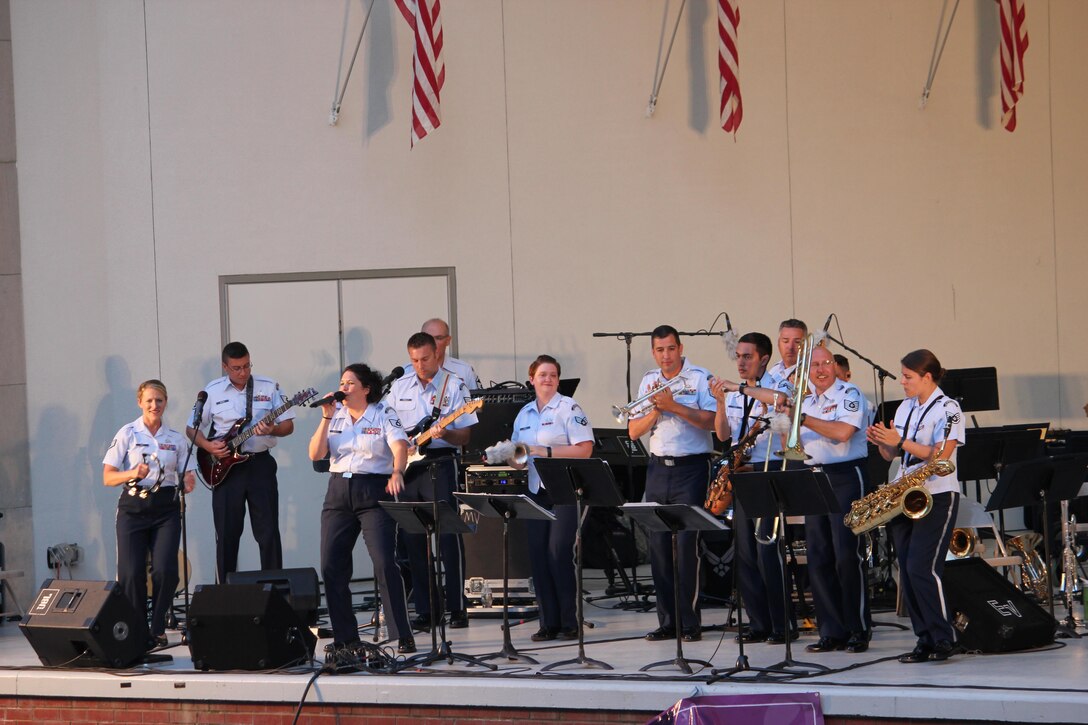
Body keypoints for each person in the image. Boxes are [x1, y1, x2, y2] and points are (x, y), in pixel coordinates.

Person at [309, 363, 415, 655]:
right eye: (342, 382)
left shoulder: (382, 413)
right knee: (331, 566)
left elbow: (399, 446)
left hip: (373, 491)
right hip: (338, 493)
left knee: (383, 562)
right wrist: (325, 418)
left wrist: (397, 473)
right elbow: (316, 454)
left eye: (350, 383)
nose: (343, 388)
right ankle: (346, 636)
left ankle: (401, 632)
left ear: (366, 388)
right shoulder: (336, 416)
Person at [867, 349, 964, 663]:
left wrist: (899, 442)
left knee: (923, 568)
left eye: (908, 377)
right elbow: (891, 456)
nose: (902, 382)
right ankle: (924, 639)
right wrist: (882, 441)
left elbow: (940, 458)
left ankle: (944, 636)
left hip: (936, 494)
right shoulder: (906, 407)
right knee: (906, 573)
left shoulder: (949, 409)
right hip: (905, 495)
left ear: (927, 377)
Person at [628, 325, 717, 642]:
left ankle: (690, 622)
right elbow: (633, 431)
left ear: (680, 348)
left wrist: (675, 406)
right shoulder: (648, 381)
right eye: (659, 350)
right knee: (659, 547)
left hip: (691, 467)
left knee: (685, 546)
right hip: (657, 468)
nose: (666, 355)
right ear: (653, 352)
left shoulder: (699, 377)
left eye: (670, 348)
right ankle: (668, 622)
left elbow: (712, 422)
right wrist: (657, 410)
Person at [385, 331, 478, 630]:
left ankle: (457, 607)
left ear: (436, 354)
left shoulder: (455, 386)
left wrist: (445, 432)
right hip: (409, 469)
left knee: (449, 536)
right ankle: (426, 608)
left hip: (441, 465)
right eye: (414, 360)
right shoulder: (398, 387)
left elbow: (464, 435)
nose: (420, 365)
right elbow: (388, 424)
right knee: (413, 538)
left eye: (425, 358)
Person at [710, 332, 795, 645]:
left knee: (766, 550)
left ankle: (782, 624)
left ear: (763, 358)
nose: (741, 362)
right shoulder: (732, 392)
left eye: (748, 356)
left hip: (767, 469)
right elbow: (723, 434)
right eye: (739, 356)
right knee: (745, 552)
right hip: (741, 471)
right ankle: (758, 623)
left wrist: (742, 389)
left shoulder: (778, 385)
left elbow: (781, 402)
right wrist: (721, 401)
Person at [188, 341, 295, 582]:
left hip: (260, 465)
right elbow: (191, 429)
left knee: (267, 532)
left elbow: (288, 426)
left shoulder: (268, 386)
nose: (243, 372)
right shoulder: (212, 391)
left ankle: (273, 590)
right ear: (225, 366)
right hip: (224, 469)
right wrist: (207, 445)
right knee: (227, 534)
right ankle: (225, 594)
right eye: (236, 368)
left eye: (247, 366)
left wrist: (272, 430)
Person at [103, 379, 196, 646]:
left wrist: (188, 483)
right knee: (131, 573)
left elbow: (188, 476)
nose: (155, 406)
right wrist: (133, 472)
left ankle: (156, 628)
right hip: (133, 507)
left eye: (159, 400)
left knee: (166, 571)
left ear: (166, 402)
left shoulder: (175, 439)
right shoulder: (128, 433)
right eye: (149, 401)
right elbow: (107, 477)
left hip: (165, 508)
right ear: (140, 403)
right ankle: (137, 628)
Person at [792, 344, 871, 654]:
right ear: (806, 372)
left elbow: (842, 433)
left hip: (845, 476)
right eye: (815, 366)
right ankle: (831, 630)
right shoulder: (807, 400)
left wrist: (804, 419)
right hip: (813, 477)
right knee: (819, 556)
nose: (821, 370)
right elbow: (796, 445)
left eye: (826, 363)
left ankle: (857, 629)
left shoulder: (849, 394)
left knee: (846, 555)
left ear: (835, 366)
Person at [510, 355, 594, 641]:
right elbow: (518, 456)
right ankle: (549, 623)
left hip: (564, 490)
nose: (548, 379)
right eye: (542, 374)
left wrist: (543, 451)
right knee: (538, 556)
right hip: (535, 491)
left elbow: (584, 450)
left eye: (553, 375)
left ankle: (570, 621)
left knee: (558, 552)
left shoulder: (569, 408)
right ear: (531, 378)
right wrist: (511, 458)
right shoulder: (523, 414)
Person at [403, 318, 481, 390]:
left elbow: (479, 401)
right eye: (428, 338)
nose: (432, 342)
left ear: (448, 340)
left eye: (438, 338)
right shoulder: (406, 372)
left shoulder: (464, 370)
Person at [767, 319, 807, 388]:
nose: (790, 347)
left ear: (806, 345)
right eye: (785, 341)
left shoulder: (812, 371)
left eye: (797, 342)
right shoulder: (774, 370)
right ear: (778, 343)